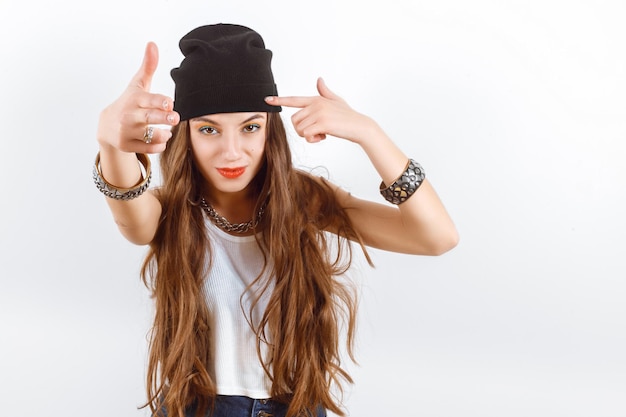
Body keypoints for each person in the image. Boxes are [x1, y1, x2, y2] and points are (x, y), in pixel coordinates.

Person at [94, 23, 458, 417]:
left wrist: (368, 132)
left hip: (295, 405)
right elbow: (132, 216)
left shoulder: (304, 200)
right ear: (186, 134)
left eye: (250, 127)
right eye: (209, 129)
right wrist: (111, 144)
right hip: (198, 406)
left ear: (271, 130)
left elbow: (437, 237)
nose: (231, 152)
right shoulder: (172, 212)